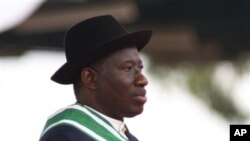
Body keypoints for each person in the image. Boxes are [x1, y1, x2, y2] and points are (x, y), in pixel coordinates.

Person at [39, 15, 153, 141]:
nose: (142, 80)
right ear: (90, 78)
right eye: (128, 68)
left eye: (140, 68)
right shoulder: (66, 135)